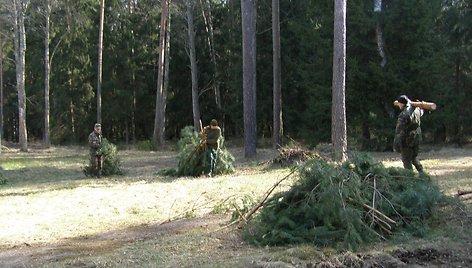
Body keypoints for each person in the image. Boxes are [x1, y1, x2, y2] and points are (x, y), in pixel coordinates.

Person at [393, 95, 424, 174]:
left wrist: (397, 143)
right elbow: (421, 112)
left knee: (406, 160)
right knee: (413, 158)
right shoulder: (416, 110)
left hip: (407, 140)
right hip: (416, 138)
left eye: (399, 103)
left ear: (402, 104)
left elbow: (399, 130)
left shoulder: (404, 115)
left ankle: (410, 178)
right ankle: (422, 173)